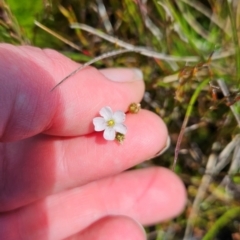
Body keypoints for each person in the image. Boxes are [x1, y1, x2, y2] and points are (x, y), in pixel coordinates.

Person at [0, 44, 186, 240]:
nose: (112, 122)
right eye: (111, 122)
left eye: (113, 123)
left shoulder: (114, 123)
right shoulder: (108, 120)